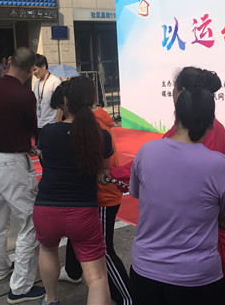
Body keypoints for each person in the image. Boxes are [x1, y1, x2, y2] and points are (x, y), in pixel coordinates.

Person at [130, 86, 225, 304]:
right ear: (210, 124)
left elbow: (135, 191)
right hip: (196, 278)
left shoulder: (146, 150)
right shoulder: (218, 164)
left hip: (144, 271)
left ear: (176, 115)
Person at [33, 76, 112, 305]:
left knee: (47, 250)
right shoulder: (102, 136)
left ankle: (51, 300)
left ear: (65, 102)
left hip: (47, 208)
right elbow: (103, 172)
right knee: (97, 278)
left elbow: (45, 159)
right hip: (83, 212)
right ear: (93, 101)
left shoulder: (48, 132)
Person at [0, 47, 45, 304]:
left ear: (9, 63)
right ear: (30, 70)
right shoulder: (25, 95)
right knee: (31, 221)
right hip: (11, 163)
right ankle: (20, 287)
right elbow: (31, 128)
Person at [57, 89, 132, 304]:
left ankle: (128, 297)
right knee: (77, 234)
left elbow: (97, 165)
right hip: (93, 195)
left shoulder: (92, 126)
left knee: (103, 249)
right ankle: (73, 271)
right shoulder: (92, 121)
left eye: (63, 103)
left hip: (103, 196)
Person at [32, 54, 62, 132]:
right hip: (38, 125)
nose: (33, 73)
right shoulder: (36, 84)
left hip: (51, 125)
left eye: (35, 69)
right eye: (32, 70)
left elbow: (61, 104)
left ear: (43, 66)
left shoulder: (55, 81)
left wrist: (57, 123)